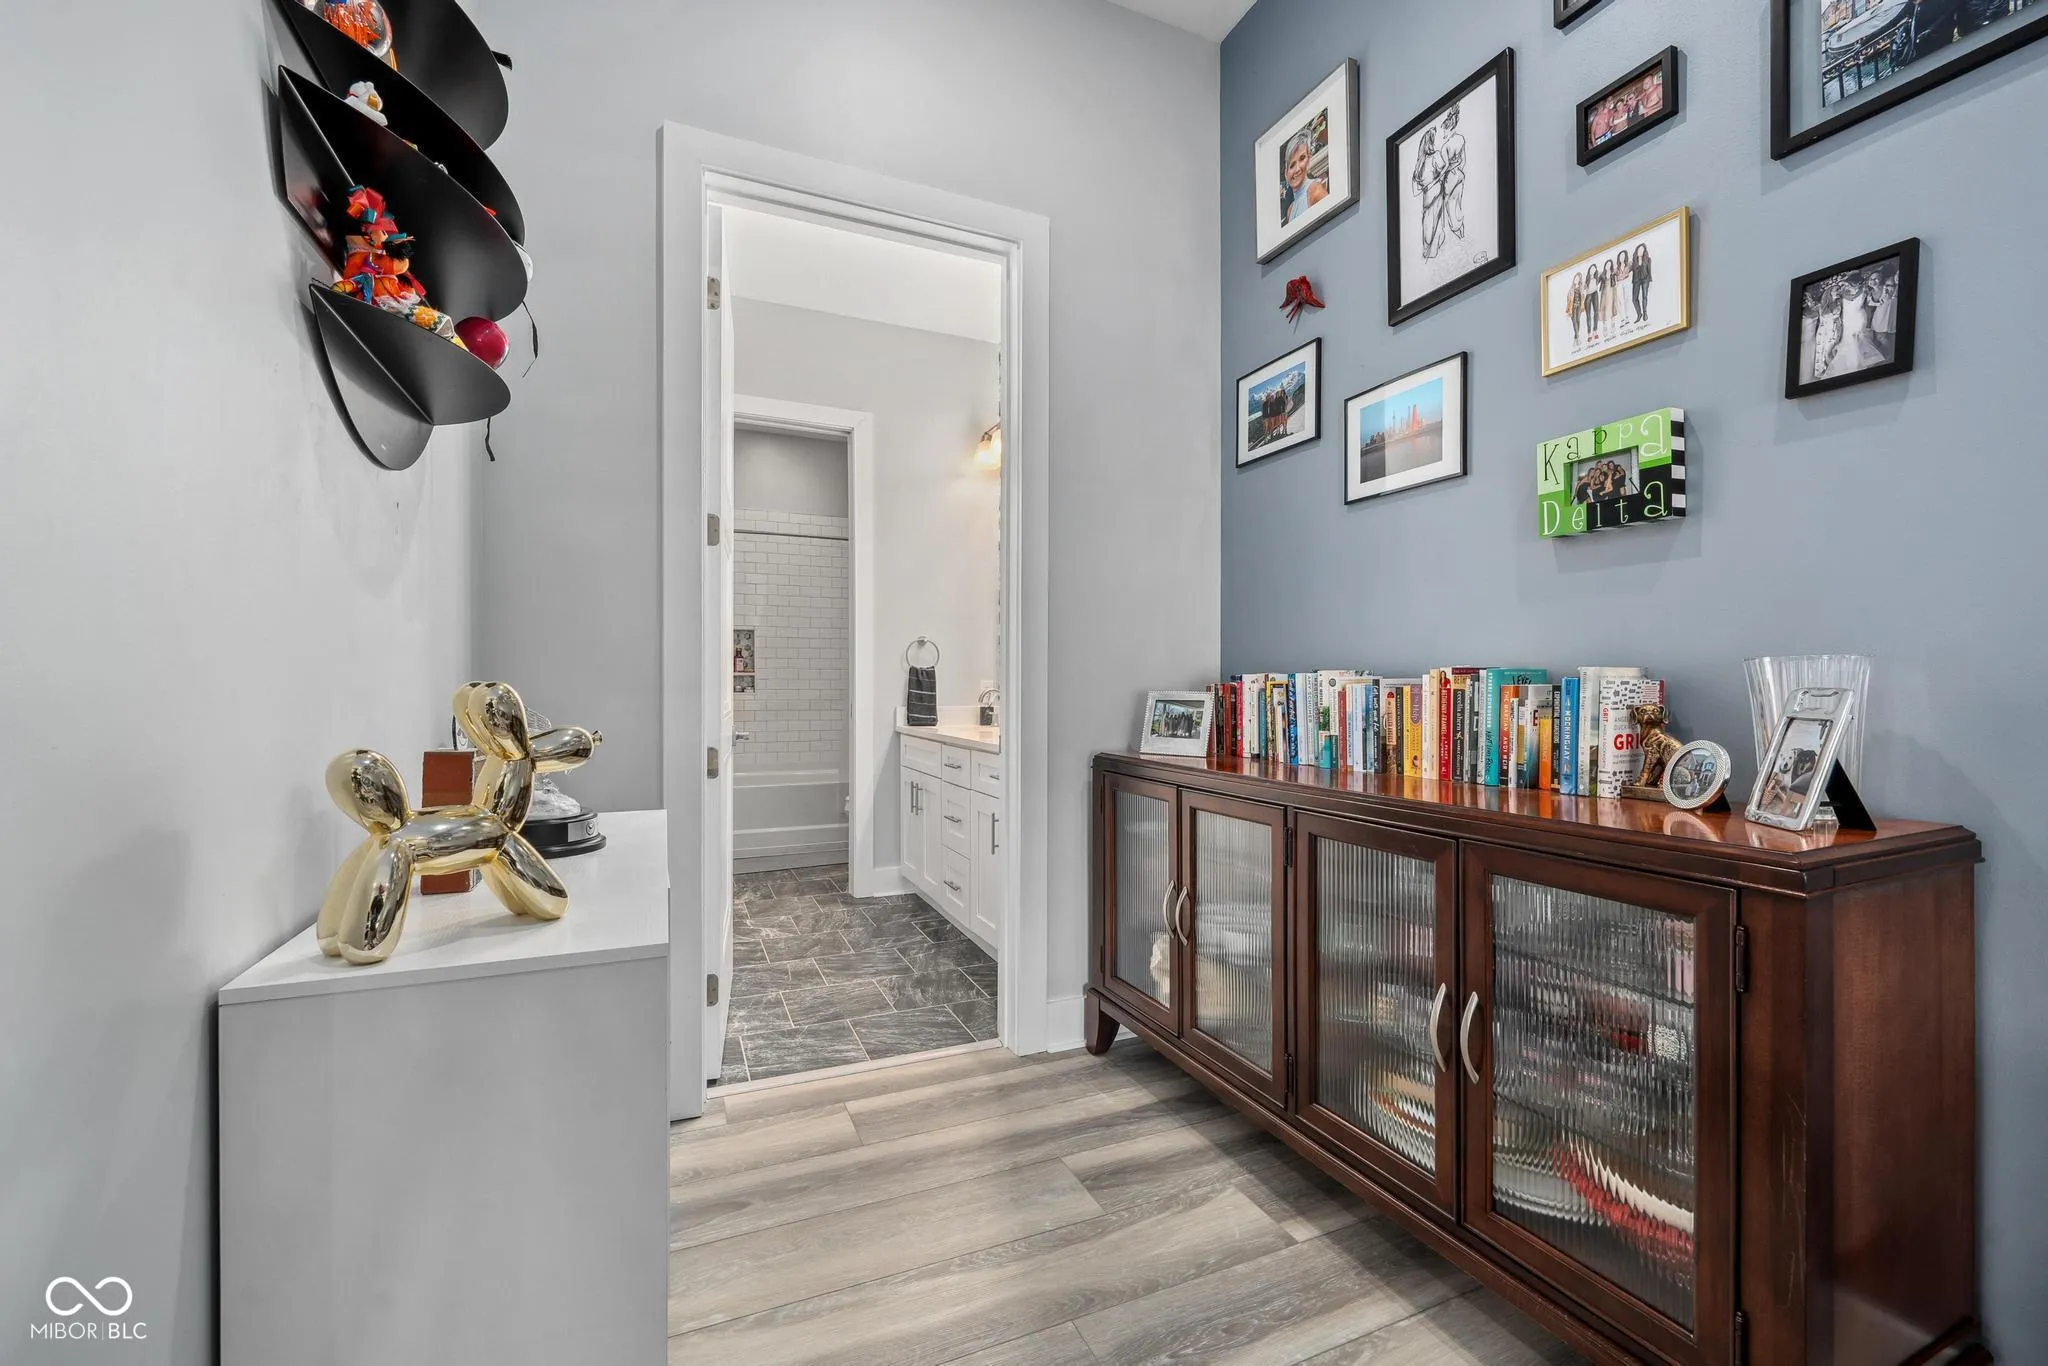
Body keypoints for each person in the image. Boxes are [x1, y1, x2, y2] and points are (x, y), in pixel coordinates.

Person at [1280, 130, 1327, 226]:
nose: (1297, 169)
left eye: (1302, 159)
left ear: (1309, 159)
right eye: (1292, 165)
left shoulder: (1315, 190)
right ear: (1286, 173)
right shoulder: (1290, 209)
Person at [1631, 243, 1653, 323]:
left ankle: (1645, 313)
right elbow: (1630, 269)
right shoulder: (1634, 260)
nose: (1640, 252)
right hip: (1636, 280)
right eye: (1639, 250)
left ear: (1644, 251)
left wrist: (1650, 279)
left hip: (1645, 279)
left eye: (1642, 250)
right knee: (1634, 299)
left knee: (1644, 296)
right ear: (1636, 250)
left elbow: (1649, 270)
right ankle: (1639, 314)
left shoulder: (1648, 259)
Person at [1566, 272, 1584, 346]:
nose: (1577, 280)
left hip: (1579, 306)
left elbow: (1583, 296)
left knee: (1578, 321)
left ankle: (1575, 339)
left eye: (1578, 278)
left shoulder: (1581, 287)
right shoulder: (1571, 288)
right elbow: (1568, 298)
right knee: (1574, 321)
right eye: (1576, 278)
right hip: (1572, 307)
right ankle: (1578, 338)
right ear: (1574, 279)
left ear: (1580, 280)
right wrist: (1569, 310)